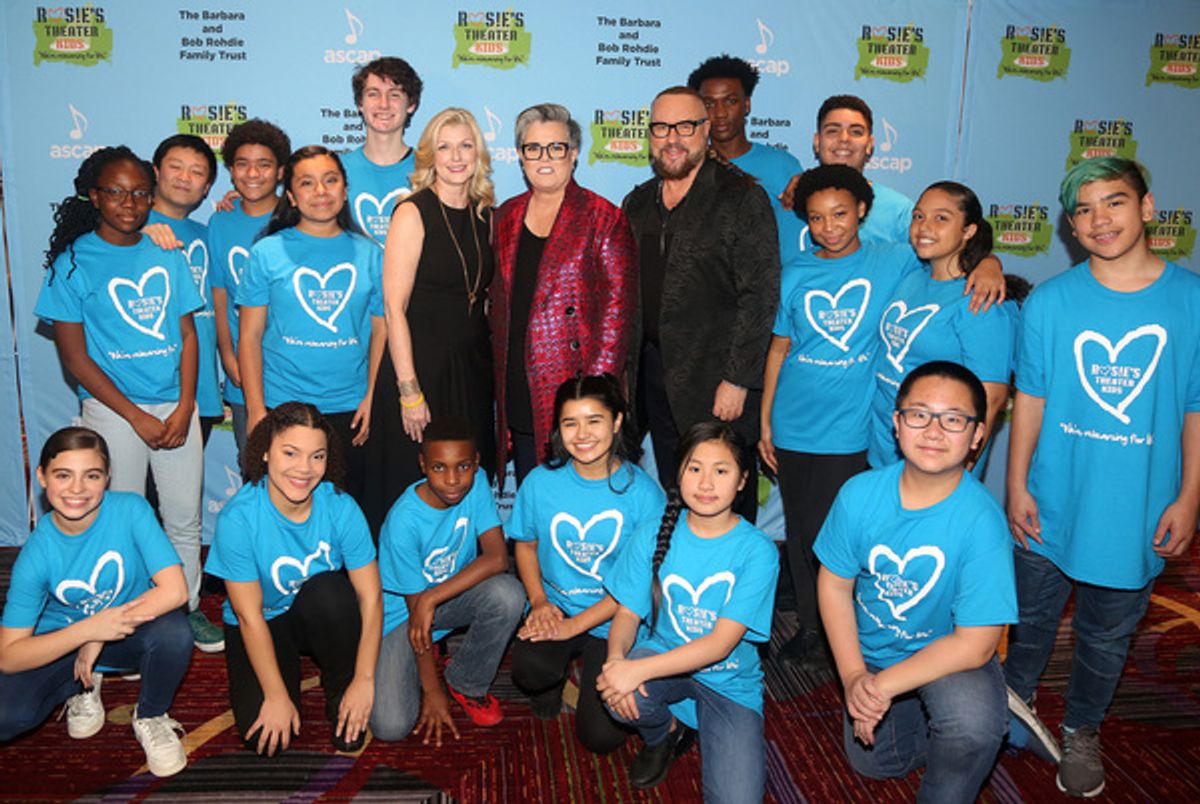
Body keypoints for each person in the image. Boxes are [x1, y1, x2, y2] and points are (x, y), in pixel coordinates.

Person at [1004, 157, 1200, 797]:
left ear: (1147, 208)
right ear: (1069, 226)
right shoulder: (1052, 301)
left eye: (1113, 203)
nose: (1099, 220)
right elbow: (1028, 398)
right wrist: (1016, 483)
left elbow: (1196, 407)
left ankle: (1083, 727)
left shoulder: (1192, 302)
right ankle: (1013, 705)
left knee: (1107, 633)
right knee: (1028, 620)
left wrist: (1190, 497)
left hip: (1140, 507)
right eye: (1083, 210)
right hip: (1052, 499)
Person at [815, 361, 1016, 802]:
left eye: (954, 420)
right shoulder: (859, 494)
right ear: (897, 422)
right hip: (875, 653)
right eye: (919, 414)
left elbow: (976, 644)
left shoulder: (983, 521)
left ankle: (982, 719)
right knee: (873, 764)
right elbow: (833, 585)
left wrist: (881, 689)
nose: (934, 431)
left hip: (947, 654)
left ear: (977, 436)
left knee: (974, 727)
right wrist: (853, 678)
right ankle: (930, 719)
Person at [34, 146, 209, 651]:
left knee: (182, 518)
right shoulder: (72, 262)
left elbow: (188, 335)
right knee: (119, 520)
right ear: (94, 195)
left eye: (139, 192)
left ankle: (188, 607)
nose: (129, 202)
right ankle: (120, 621)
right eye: (115, 191)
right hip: (113, 413)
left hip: (175, 409)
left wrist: (183, 406)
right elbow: (75, 357)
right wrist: (134, 416)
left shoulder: (165, 250)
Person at [598, 422, 778, 801]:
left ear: (743, 480)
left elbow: (719, 645)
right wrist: (616, 662)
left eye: (721, 470)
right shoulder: (653, 532)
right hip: (662, 657)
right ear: (678, 473)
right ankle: (664, 734)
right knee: (622, 698)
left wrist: (635, 670)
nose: (706, 483)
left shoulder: (758, 550)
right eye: (694, 468)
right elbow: (628, 614)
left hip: (729, 680)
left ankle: (688, 718)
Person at [623, 86, 779, 522]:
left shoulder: (741, 198)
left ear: (706, 131)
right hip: (651, 375)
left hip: (716, 380)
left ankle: (732, 583)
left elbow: (761, 294)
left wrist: (738, 379)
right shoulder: (637, 203)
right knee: (676, 486)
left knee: (725, 490)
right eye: (660, 127)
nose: (672, 137)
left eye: (685, 126)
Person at [0, 427, 192, 777]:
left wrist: (100, 633)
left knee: (175, 632)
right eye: (63, 475)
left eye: (91, 476)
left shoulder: (131, 510)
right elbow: (10, 655)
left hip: (126, 633)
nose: (77, 489)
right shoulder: (36, 553)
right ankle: (83, 686)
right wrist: (86, 632)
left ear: (107, 478)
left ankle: (150, 715)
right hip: (64, 643)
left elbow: (175, 590)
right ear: (42, 477)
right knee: (8, 714)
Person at [205, 402, 382, 755]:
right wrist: (275, 696)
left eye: (317, 456)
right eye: (290, 453)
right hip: (262, 623)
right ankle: (282, 678)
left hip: (317, 613)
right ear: (266, 452)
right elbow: (248, 616)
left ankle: (339, 696)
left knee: (332, 592)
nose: (304, 468)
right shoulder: (238, 519)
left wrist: (363, 680)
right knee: (264, 741)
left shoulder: (341, 507)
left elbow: (371, 598)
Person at [508, 374, 665, 752]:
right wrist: (540, 602)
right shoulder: (539, 483)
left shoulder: (643, 495)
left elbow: (636, 586)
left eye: (594, 420)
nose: (582, 434)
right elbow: (525, 547)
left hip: (615, 619)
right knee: (529, 669)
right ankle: (551, 683)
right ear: (558, 430)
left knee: (601, 737)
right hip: (557, 607)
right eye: (570, 423)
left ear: (616, 422)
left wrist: (574, 627)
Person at [364, 108, 496, 534]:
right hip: (419, 369)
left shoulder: (484, 215)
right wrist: (409, 390)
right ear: (429, 156)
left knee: (464, 483)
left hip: (471, 371)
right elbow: (394, 306)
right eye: (445, 147)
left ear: (478, 153)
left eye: (465, 145)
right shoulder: (412, 212)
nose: (456, 156)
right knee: (413, 482)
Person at [491, 104, 638, 483]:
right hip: (520, 386)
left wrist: (593, 403)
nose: (544, 158)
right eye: (532, 148)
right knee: (534, 495)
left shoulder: (603, 217)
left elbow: (616, 319)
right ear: (520, 156)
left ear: (573, 154)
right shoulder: (505, 216)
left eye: (555, 148)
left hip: (575, 391)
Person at [237, 145, 386, 506]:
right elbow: (250, 337)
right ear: (290, 195)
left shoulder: (371, 254)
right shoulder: (267, 252)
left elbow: (382, 330)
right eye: (307, 183)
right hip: (281, 405)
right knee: (280, 513)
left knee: (347, 513)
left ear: (345, 189)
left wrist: (372, 396)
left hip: (351, 410)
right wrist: (257, 410)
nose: (321, 192)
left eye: (330, 180)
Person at [370, 417, 524, 742]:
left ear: (477, 463)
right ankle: (418, 667)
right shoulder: (403, 522)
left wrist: (432, 597)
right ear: (423, 465)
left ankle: (466, 680)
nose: (453, 480)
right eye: (439, 468)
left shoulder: (478, 482)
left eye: (463, 466)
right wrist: (432, 690)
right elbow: (417, 620)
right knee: (391, 726)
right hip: (403, 618)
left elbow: (497, 557)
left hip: (441, 600)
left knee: (508, 594)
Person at [867, 181, 1018, 472]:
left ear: (968, 231)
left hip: (937, 458)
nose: (924, 227)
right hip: (883, 451)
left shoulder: (981, 300)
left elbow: (992, 396)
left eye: (941, 218)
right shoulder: (911, 274)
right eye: (919, 216)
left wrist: (959, 469)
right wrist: (990, 260)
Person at [208, 119, 291, 455]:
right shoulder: (220, 221)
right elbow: (220, 295)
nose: (253, 174)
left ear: (281, 172)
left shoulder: (296, 218)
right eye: (242, 164)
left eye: (264, 165)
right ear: (230, 171)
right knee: (255, 468)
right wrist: (228, 356)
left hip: (291, 369)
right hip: (244, 374)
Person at [687, 55, 805, 272]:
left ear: (747, 104)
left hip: (773, 294)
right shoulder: (686, 169)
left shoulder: (783, 166)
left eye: (730, 101)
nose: (720, 113)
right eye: (709, 103)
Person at [343, 57, 424, 245]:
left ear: (411, 104)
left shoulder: (430, 170)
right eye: (373, 94)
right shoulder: (337, 169)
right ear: (360, 104)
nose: (384, 104)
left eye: (394, 94)